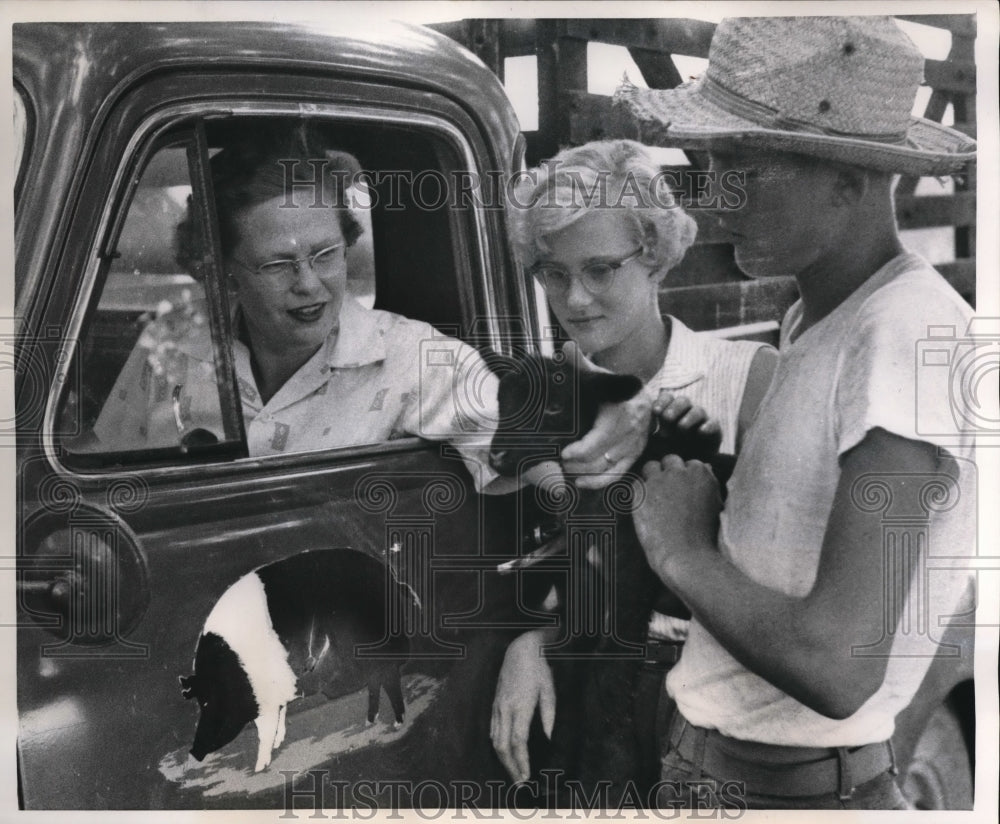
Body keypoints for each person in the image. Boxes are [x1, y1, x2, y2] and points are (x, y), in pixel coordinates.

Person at [616, 16, 979, 809]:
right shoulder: (818, 316)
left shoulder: (903, 331)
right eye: (713, 163)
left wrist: (682, 550)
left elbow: (840, 665)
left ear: (848, 182)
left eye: (744, 168)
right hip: (725, 772)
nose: (718, 197)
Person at [91, 123, 648, 491]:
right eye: (277, 264)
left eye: (326, 254)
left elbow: (521, 434)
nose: (309, 284)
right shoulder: (173, 341)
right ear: (223, 270)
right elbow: (101, 461)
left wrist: (613, 413)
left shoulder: (412, 355)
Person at [489, 139, 778, 785]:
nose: (575, 299)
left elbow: (775, 582)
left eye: (600, 269)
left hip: (719, 717)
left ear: (655, 257)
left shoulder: (745, 380)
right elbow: (549, 560)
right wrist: (531, 638)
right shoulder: (541, 399)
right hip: (586, 706)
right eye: (553, 273)